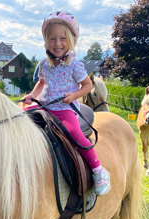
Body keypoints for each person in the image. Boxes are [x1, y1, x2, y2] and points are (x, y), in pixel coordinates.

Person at [23, 11, 110, 195]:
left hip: (64, 108)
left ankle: (98, 170)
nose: (58, 43)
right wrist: (32, 96)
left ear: (70, 40)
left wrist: (74, 95)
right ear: (46, 41)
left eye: (62, 38)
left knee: (74, 133)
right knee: (21, 118)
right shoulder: (44, 64)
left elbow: (87, 85)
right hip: (44, 105)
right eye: (52, 39)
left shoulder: (74, 65)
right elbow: (41, 83)